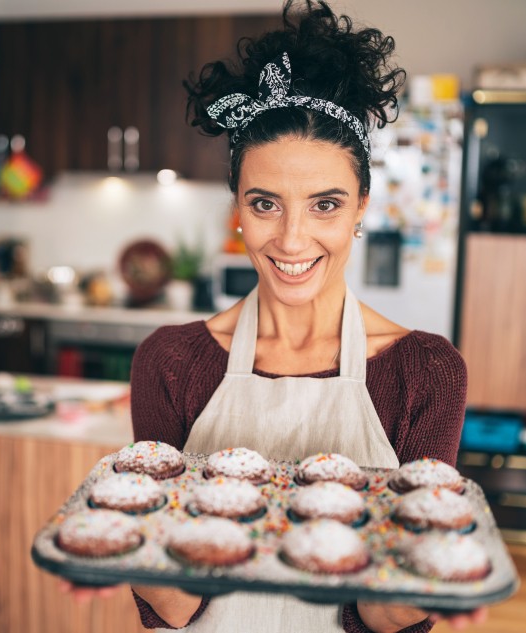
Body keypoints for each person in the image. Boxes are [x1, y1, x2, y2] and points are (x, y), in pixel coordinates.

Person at [65, 2, 485, 631]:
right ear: (236, 204)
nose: (292, 240)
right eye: (266, 203)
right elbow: (175, 612)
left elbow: (381, 615)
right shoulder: (170, 361)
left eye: (325, 204)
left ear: (360, 209)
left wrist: (419, 594)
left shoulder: (425, 371)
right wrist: (132, 555)